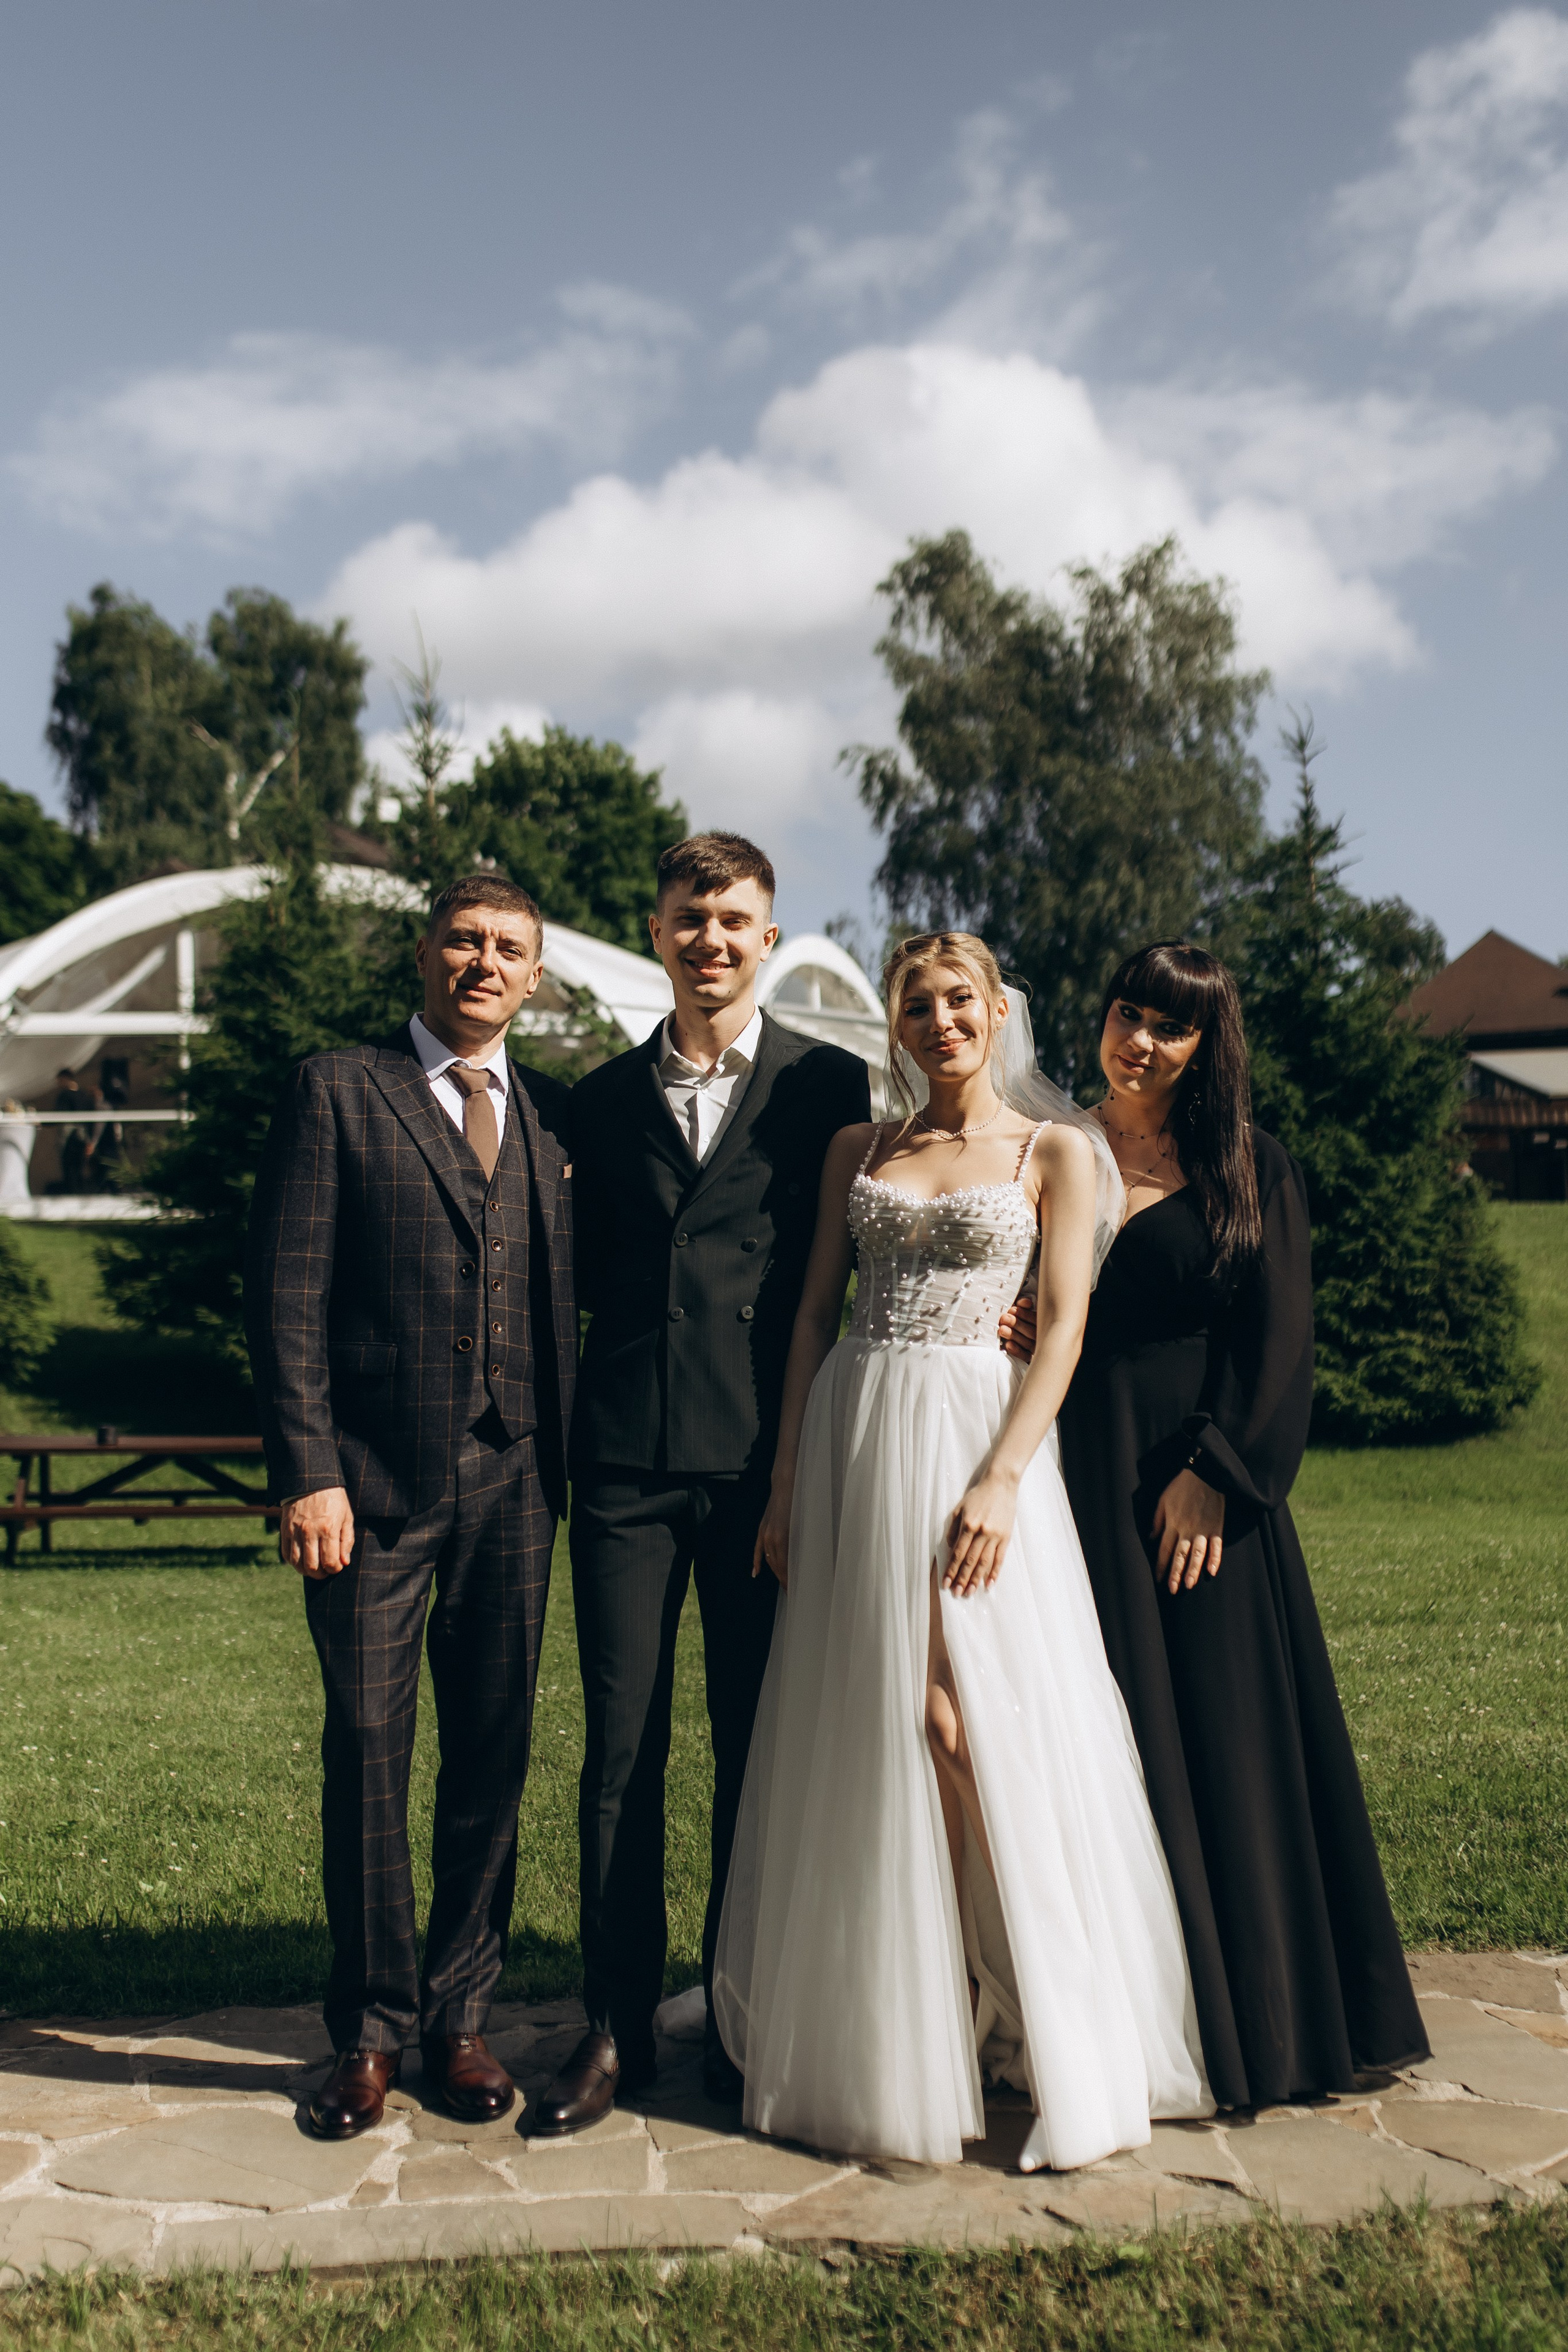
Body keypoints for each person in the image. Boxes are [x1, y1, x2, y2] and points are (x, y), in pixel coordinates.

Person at [711, 931, 1210, 2170]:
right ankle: (919, 2004)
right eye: (915, 1006)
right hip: (853, 1443)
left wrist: (997, 1478)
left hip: (976, 1449)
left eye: (957, 1001)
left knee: (968, 1722)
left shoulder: (1055, 1151)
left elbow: (1062, 1334)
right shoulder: (858, 1151)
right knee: (879, 1723)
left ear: (998, 1013)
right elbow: (813, 1314)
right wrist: (784, 1478)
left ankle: (1040, 2002)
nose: (937, 1021)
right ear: (894, 1026)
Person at [532, 832, 870, 2136]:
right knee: (617, 1752)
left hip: (757, 1472)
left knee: (752, 1748)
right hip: (619, 1464)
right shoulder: (596, 1101)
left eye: (734, 920)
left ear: (767, 938)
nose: (710, 939)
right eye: (689, 917)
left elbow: (922, 1204)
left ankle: (740, 2019)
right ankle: (613, 2027)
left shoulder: (827, 1086)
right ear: (658, 926)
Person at [1056, 941, 1428, 2109]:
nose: (1141, 1043)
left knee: (1222, 1744)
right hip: (1067, 1471)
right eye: (1129, 1015)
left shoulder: (1248, 1163)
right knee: (1101, 1743)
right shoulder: (1051, 1144)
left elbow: (1280, 1340)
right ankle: (1124, 2018)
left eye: (1171, 1028)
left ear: (1207, 1047)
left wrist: (1218, 1472)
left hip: (1195, 1488)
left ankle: (1257, 2027)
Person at [244, 875, 576, 2140]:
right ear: (424, 952)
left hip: (516, 1481)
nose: (483, 963)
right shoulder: (339, 1089)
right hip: (369, 1488)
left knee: (491, 1754)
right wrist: (306, 1469)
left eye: (508, 949)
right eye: (463, 940)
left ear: (532, 978)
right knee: (370, 1754)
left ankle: (461, 2017)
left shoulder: (544, 1123)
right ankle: (371, 2033)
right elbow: (284, 1298)